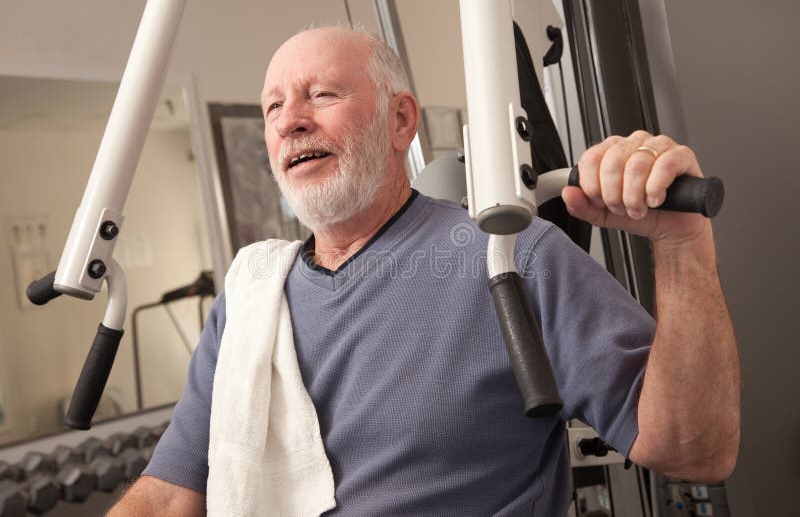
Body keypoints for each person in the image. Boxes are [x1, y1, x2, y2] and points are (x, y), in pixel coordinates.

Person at [109, 26, 739, 516]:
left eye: (320, 94)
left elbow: (695, 449)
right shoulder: (249, 301)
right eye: (272, 107)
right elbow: (170, 495)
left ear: (401, 121)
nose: (290, 120)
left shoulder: (513, 255)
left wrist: (681, 244)